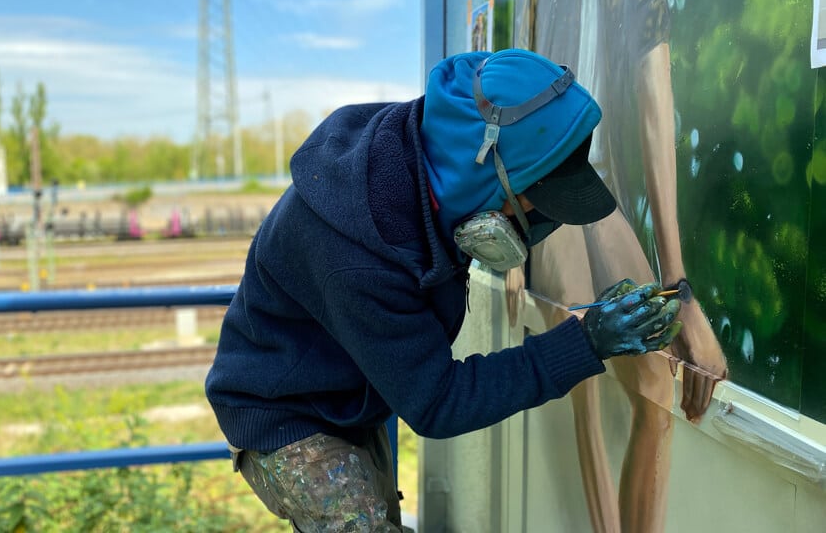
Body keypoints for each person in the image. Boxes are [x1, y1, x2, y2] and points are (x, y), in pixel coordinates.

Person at [205, 48, 682, 532]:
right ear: (482, 173)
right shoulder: (357, 257)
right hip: (282, 410)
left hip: (346, 391)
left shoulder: (437, 157)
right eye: (536, 204)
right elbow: (438, 402)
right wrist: (585, 342)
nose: (540, 224)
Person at [508, 0, 728, 531]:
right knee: (583, 372)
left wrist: (680, 292)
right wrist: (511, 235)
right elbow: (514, 88)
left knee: (655, 390)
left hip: (600, 188)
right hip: (547, 188)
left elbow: (654, 94)